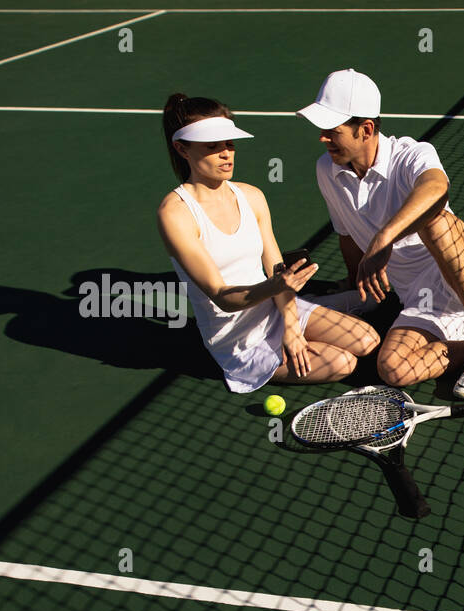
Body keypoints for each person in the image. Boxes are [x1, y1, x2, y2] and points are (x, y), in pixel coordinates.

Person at [297, 69, 464, 400]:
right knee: (393, 370)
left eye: (332, 131)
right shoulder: (327, 170)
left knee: (433, 218)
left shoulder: (410, 155)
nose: (323, 138)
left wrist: (384, 238)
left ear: (365, 130)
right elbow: (346, 234)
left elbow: (437, 189)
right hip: (420, 297)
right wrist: (356, 282)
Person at [157, 93, 380, 393]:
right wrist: (277, 286)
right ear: (182, 149)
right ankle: (322, 309)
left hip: (276, 308)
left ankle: (316, 308)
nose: (226, 154)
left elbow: (276, 270)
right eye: (212, 147)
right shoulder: (176, 214)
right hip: (237, 338)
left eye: (230, 144)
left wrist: (291, 326)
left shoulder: (252, 196)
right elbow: (222, 297)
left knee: (368, 340)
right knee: (343, 363)